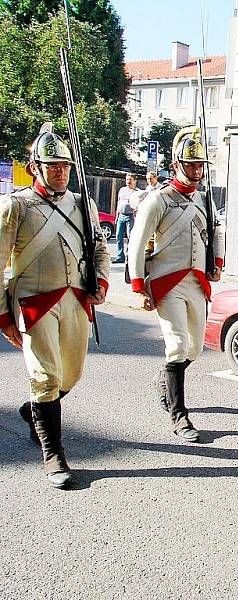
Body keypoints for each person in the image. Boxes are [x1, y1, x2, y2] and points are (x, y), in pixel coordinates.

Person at [0, 124, 110, 488]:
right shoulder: (14, 205)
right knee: (46, 377)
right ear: (36, 168)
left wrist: (102, 281)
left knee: (70, 375)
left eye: (64, 166)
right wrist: (3, 315)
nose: (60, 172)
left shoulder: (82, 204)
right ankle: (54, 456)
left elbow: (98, 249)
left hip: (75, 298)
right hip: (33, 302)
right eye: (53, 166)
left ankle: (34, 408)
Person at [127, 127, 224, 442]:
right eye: (190, 164)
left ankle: (165, 379)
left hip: (196, 280)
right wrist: (139, 284)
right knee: (178, 346)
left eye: (199, 166)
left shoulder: (205, 200)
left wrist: (218, 262)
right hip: (167, 281)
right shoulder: (158, 200)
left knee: (194, 347)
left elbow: (215, 233)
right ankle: (179, 416)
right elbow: (138, 243)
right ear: (176, 165)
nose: (196, 171)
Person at [113, 173, 138, 263]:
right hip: (121, 216)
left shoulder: (136, 192)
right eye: (127, 179)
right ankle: (120, 256)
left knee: (130, 237)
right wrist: (117, 216)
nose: (128, 181)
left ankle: (129, 256)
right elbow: (119, 203)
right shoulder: (122, 190)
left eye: (130, 179)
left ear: (135, 181)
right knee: (118, 236)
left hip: (130, 216)